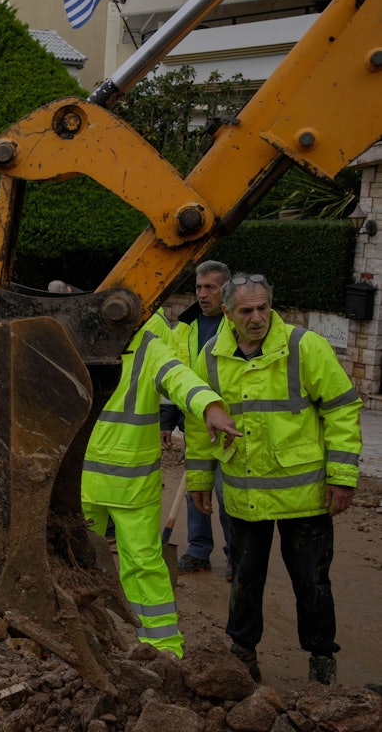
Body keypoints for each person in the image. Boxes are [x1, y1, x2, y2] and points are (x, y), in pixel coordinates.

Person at [184, 273, 361, 685]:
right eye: (246, 310)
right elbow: (198, 423)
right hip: (245, 494)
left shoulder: (304, 346)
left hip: (305, 496)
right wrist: (199, 478)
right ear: (228, 313)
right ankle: (243, 653)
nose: (257, 317)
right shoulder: (211, 356)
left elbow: (341, 409)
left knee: (312, 581)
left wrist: (342, 476)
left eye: (263, 307)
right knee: (245, 579)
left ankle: (321, 659)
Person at [81, 311, 240, 657]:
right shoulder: (82, 336)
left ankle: (163, 649)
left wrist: (209, 405)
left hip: (126, 484)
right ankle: (74, 642)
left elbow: (180, 378)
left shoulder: (147, 347)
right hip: (87, 482)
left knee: (141, 564)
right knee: (76, 562)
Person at [160, 260, 234, 579]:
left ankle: (235, 556)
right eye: (199, 288)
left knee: (227, 493)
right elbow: (173, 374)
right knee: (195, 490)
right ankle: (198, 551)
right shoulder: (185, 327)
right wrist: (167, 419)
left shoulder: (237, 324)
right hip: (194, 422)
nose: (202, 294)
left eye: (210, 288)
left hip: (230, 425)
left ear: (225, 290)